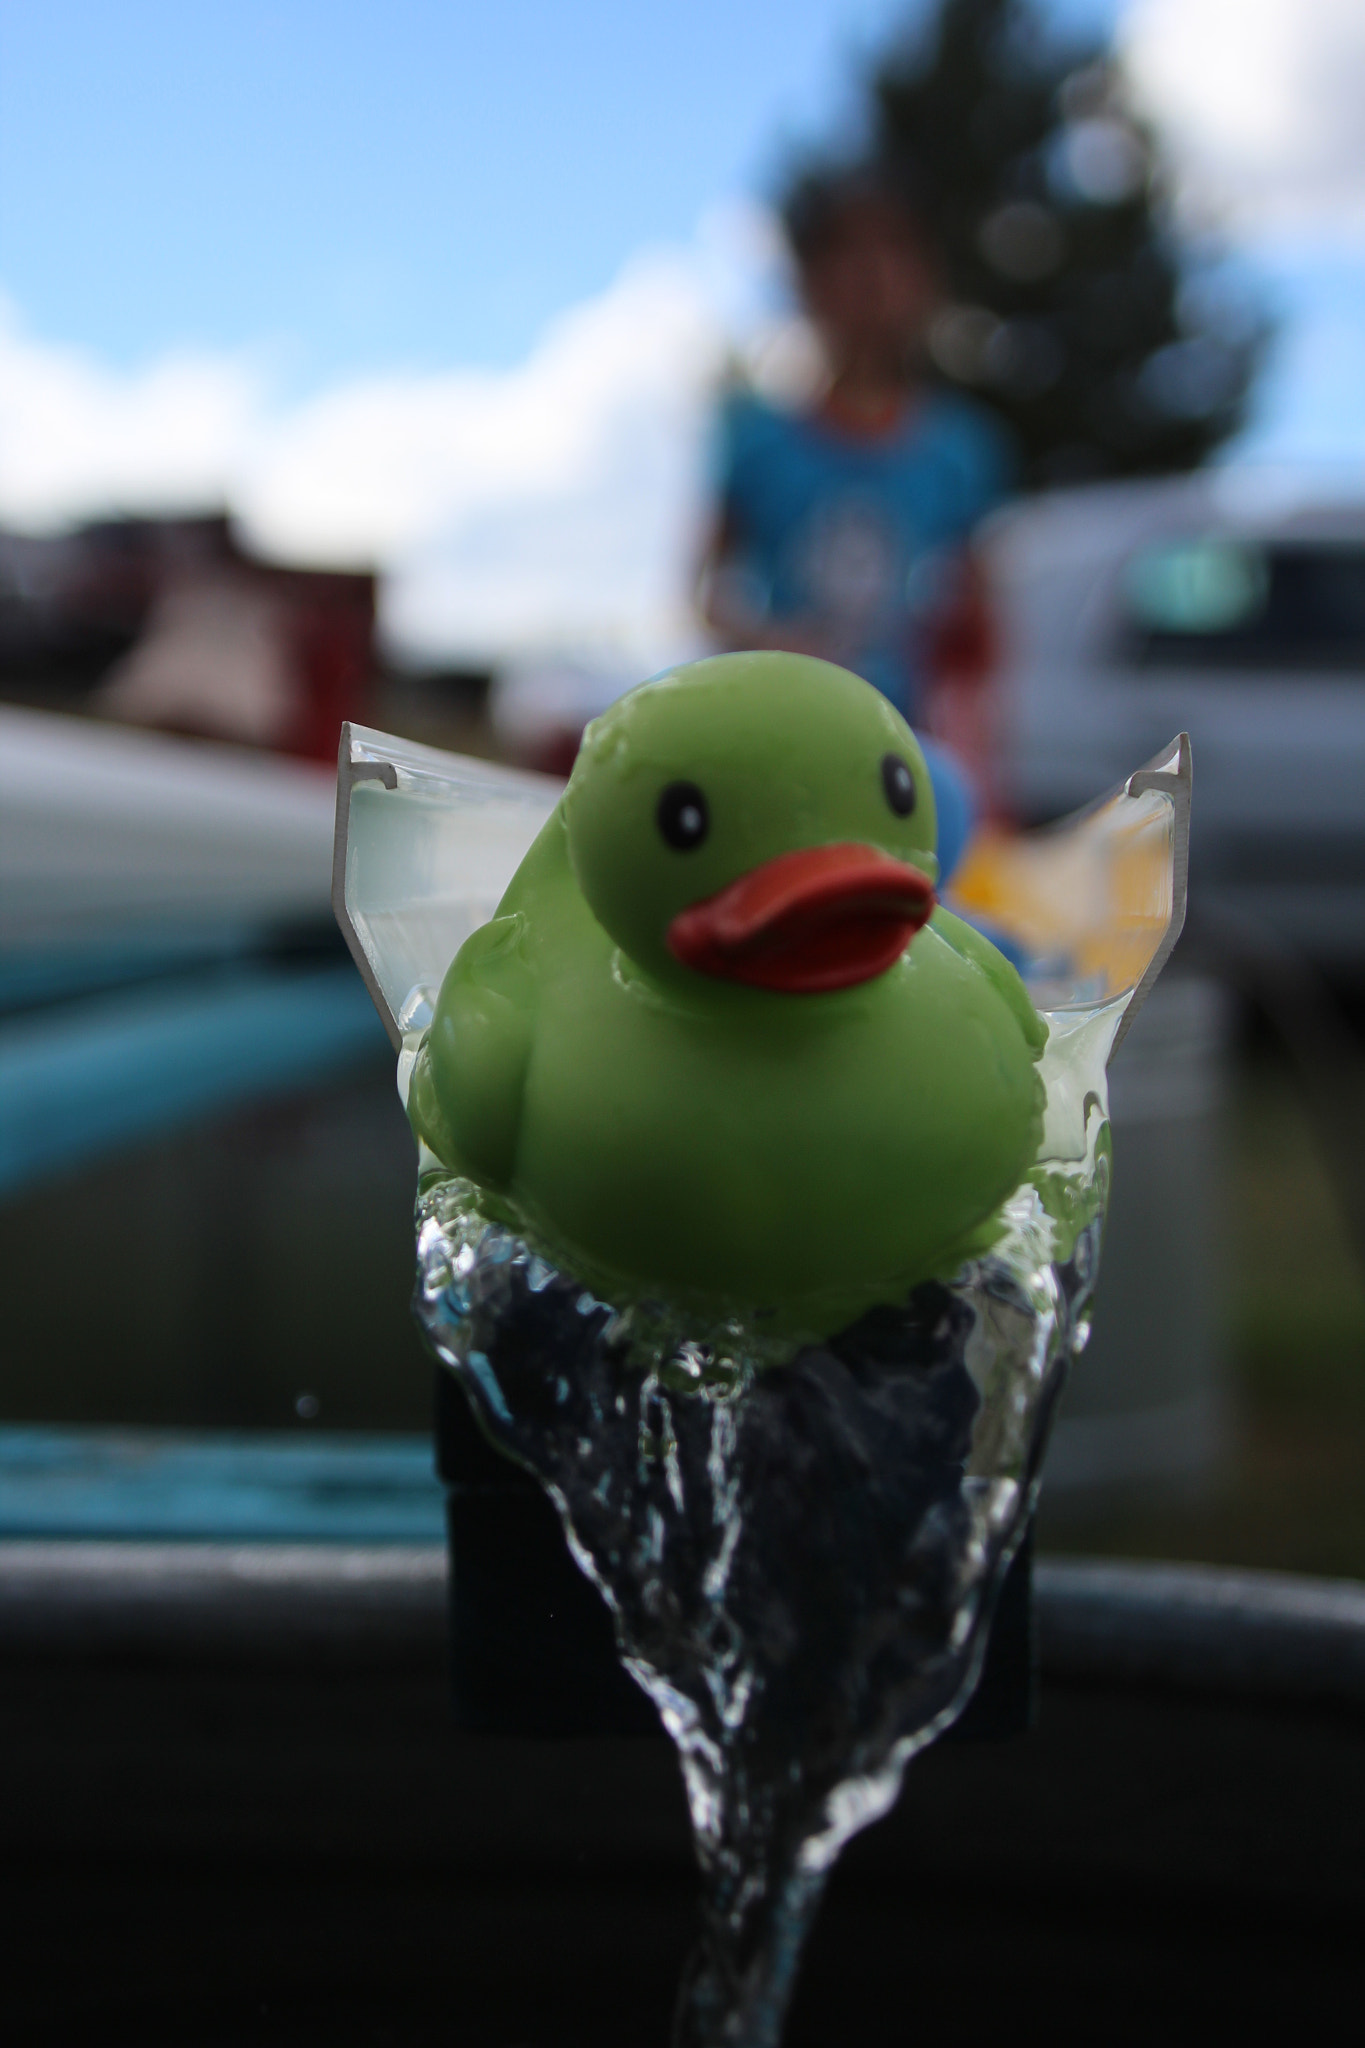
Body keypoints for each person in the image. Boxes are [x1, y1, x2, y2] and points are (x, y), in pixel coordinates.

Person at [699, 163, 1014, 872]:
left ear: (925, 281)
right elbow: (704, 594)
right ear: (806, 285)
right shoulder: (753, 440)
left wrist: (987, 789)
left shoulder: (962, 452)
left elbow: (978, 643)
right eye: (845, 256)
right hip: (772, 756)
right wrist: (774, 641)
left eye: (893, 254)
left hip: (908, 769)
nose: (871, 279)